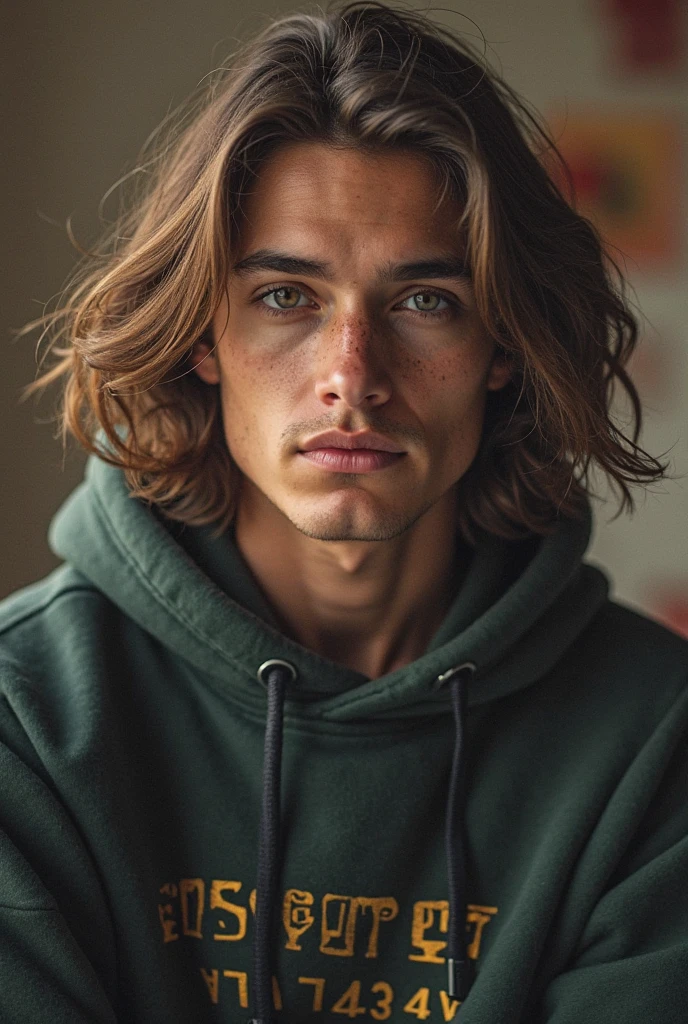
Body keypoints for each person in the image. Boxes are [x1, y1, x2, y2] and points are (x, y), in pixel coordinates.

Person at [2, 1, 687, 1021]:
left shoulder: (651, 733)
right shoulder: (25, 715)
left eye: (424, 301)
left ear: (504, 347)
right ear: (202, 334)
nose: (351, 378)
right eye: (287, 296)